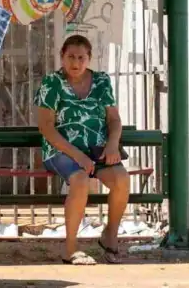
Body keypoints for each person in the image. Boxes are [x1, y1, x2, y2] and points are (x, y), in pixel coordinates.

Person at [34, 34, 129, 265]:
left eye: (81, 57)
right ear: (62, 57)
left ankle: (110, 234)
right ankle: (70, 248)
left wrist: (113, 144)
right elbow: (46, 127)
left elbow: (114, 120)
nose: (75, 63)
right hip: (62, 150)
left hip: (97, 148)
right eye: (70, 57)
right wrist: (78, 156)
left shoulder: (102, 81)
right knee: (80, 179)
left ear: (89, 59)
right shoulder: (51, 83)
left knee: (121, 180)